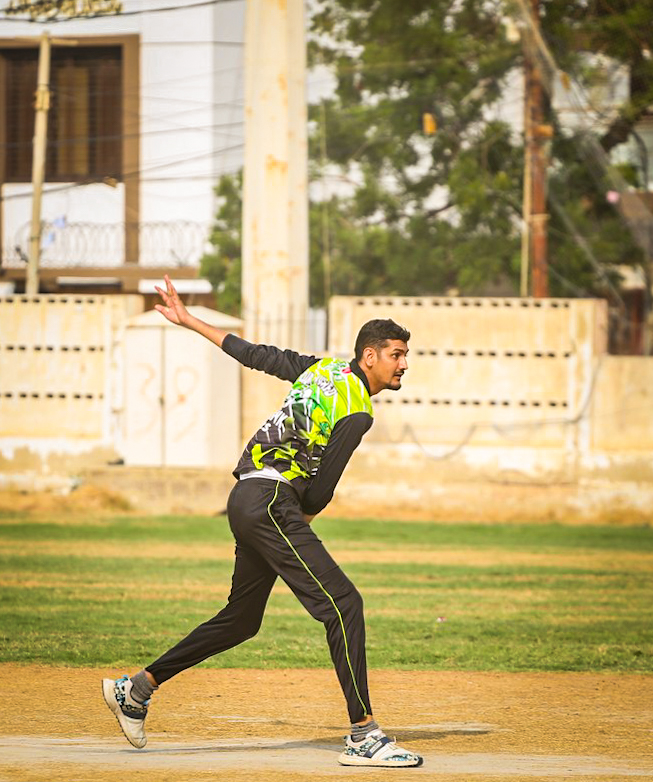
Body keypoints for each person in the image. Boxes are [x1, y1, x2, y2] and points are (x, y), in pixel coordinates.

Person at [102, 275, 422, 768]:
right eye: (396, 354)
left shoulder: (322, 368)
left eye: (405, 355)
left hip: (246, 496)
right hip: (273, 502)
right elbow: (322, 488)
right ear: (369, 357)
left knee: (243, 620)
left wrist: (189, 320)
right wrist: (299, 520)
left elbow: (256, 354)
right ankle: (364, 735)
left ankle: (136, 690)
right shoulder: (358, 410)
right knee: (343, 604)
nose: (404, 364)